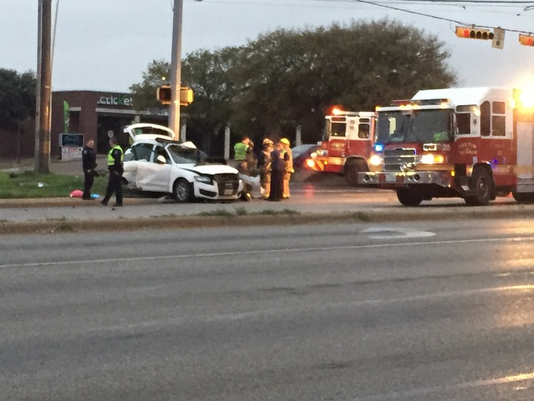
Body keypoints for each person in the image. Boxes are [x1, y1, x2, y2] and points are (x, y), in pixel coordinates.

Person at [101, 136, 124, 207]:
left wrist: (115, 170)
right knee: (112, 186)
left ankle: (118, 202)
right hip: (114, 170)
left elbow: (117, 161)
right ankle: (105, 201)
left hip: (115, 171)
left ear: (112, 142)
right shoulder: (115, 149)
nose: (109, 143)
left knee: (116, 187)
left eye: (110, 142)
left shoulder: (116, 150)